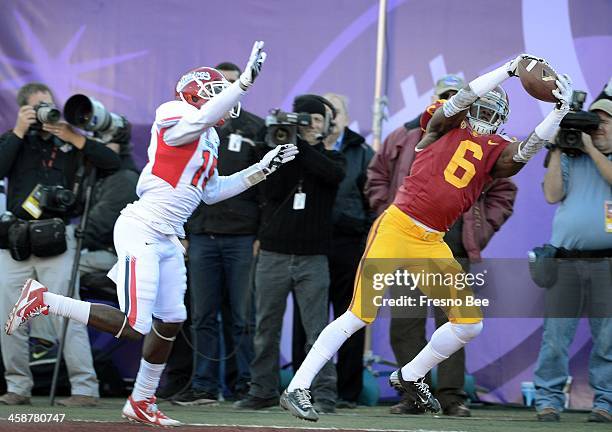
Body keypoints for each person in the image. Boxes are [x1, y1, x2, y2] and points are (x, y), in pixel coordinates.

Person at [6, 41, 299, 427]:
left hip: (167, 236)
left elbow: (211, 192)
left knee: (173, 319)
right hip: (142, 226)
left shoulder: (209, 136)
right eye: (218, 93)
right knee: (134, 326)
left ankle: (141, 401)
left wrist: (262, 168)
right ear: (197, 93)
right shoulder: (175, 112)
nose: (226, 101)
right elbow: (193, 124)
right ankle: (44, 299)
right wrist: (241, 83)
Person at [280, 54, 574, 422]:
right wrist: (507, 70)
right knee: (359, 314)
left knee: (469, 323)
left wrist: (559, 112)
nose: (484, 116)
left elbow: (523, 154)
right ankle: (297, 387)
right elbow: (464, 96)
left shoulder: (496, 150)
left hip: (432, 241)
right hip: (398, 227)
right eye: (480, 109)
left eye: (492, 112)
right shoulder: (442, 124)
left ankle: (410, 374)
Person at [366, 75, 517, 417]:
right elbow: (376, 176)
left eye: (458, 95)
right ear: (437, 100)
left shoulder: (489, 141)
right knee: (406, 317)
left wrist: (479, 230)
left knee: (455, 318)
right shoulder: (405, 134)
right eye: (446, 96)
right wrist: (387, 213)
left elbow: (504, 192)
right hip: (406, 232)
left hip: (454, 238)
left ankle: (452, 396)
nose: (455, 102)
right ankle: (411, 394)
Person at [0, 82, 121, 406]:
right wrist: (19, 130)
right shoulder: (14, 141)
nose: (46, 113)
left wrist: (74, 137)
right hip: (15, 239)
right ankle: (17, 387)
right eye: (38, 107)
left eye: (49, 105)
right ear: (24, 109)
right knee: (9, 317)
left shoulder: (67, 141)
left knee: (69, 313)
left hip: (57, 237)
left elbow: (114, 164)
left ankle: (85, 389)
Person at [234, 94, 345, 413]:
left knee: (317, 331)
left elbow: (331, 176)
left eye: (317, 119)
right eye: (305, 118)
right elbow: (266, 190)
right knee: (265, 328)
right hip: (273, 255)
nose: (311, 124)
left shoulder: (333, 159)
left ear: (327, 126)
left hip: (313, 258)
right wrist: (275, 147)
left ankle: (323, 393)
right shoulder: (281, 155)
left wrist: (302, 144)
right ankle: (262, 390)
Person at [171, 61, 264, 405]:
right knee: (202, 315)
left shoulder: (255, 127)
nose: (223, 88)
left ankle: (244, 385)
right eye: (217, 83)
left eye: (231, 82)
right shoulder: (191, 123)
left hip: (242, 236)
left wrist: (260, 236)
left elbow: (265, 188)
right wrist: (181, 230)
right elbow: (176, 178)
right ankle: (204, 387)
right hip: (200, 234)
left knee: (242, 316)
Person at [291, 93, 373, 408]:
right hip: (309, 243)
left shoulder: (362, 151)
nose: (327, 118)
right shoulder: (298, 148)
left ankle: (347, 392)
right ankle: (302, 388)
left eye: (334, 112)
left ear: (345, 118)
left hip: (348, 244)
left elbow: (373, 196)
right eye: (320, 113)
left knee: (348, 316)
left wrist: (362, 231)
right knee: (306, 319)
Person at [534, 95, 612, 423]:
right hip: (565, 261)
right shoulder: (570, 154)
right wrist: (556, 148)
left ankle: (605, 403)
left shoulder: (596, 156)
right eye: (592, 122)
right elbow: (552, 195)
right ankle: (548, 400)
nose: (597, 128)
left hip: (606, 262)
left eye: (604, 122)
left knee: (608, 339)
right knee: (555, 337)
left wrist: (592, 149)